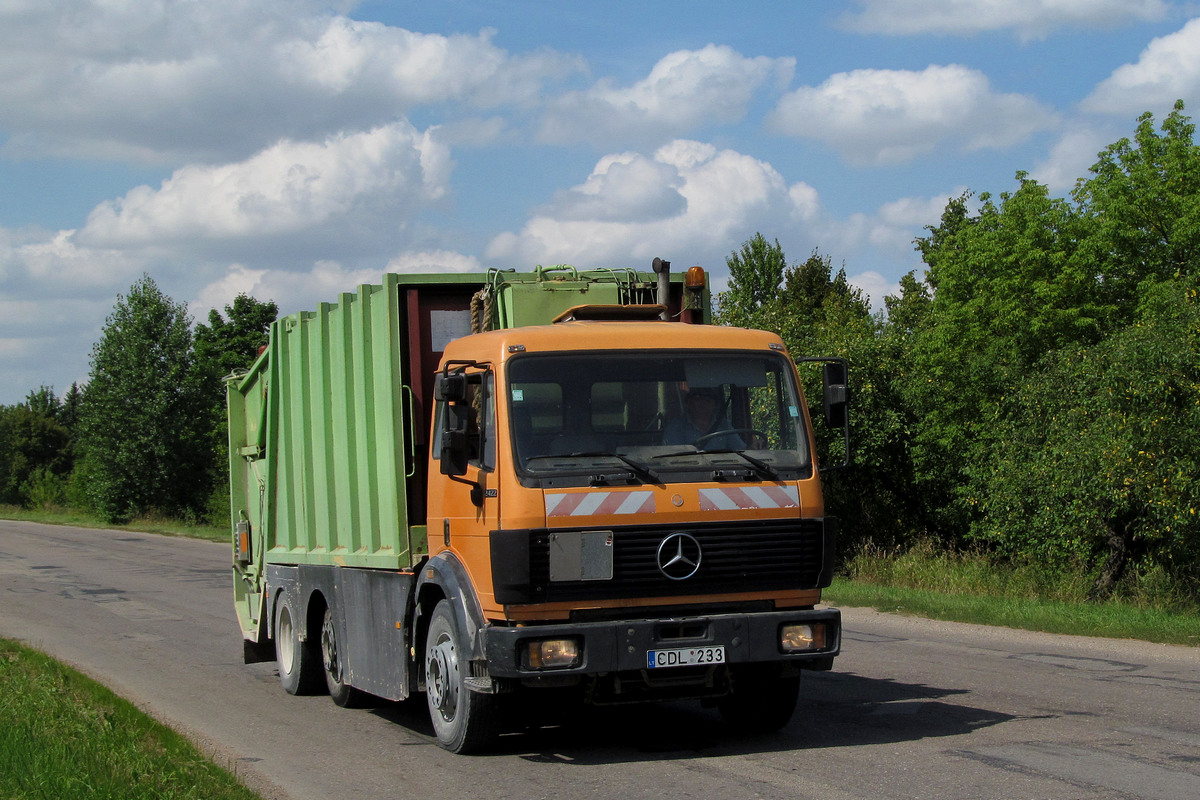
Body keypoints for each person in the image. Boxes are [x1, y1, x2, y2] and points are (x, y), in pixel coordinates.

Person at [662, 386, 744, 449]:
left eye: (708, 399)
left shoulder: (724, 426)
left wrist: (754, 446)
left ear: (715, 405)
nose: (703, 402)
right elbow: (672, 458)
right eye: (698, 398)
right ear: (688, 402)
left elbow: (741, 450)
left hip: (720, 470)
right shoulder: (676, 427)